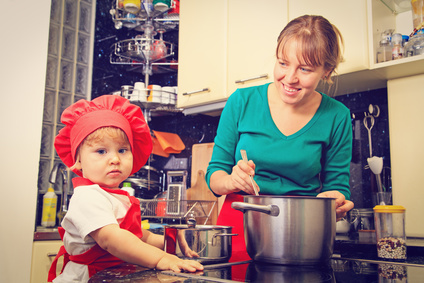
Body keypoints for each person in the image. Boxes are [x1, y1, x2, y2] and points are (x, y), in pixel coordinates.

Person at [206, 15, 355, 261]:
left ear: (326, 71)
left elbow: (337, 187)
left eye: (305, 69)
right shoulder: (241, 102)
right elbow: (215, 176)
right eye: (283, 63)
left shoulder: (337, 116)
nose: (289, 78)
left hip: (302, 233)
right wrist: (232, 180)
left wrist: (336, 201)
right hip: (240, 229)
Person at [48, 95, 203, 282]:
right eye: (101, 151)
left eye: (122, 150)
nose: (115, 159)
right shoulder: (87, 197)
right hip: (88, 277)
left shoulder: (117, 197)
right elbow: (111, 239)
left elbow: (138, 236)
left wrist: (169, 242)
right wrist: (161, 258)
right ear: (78, 160)